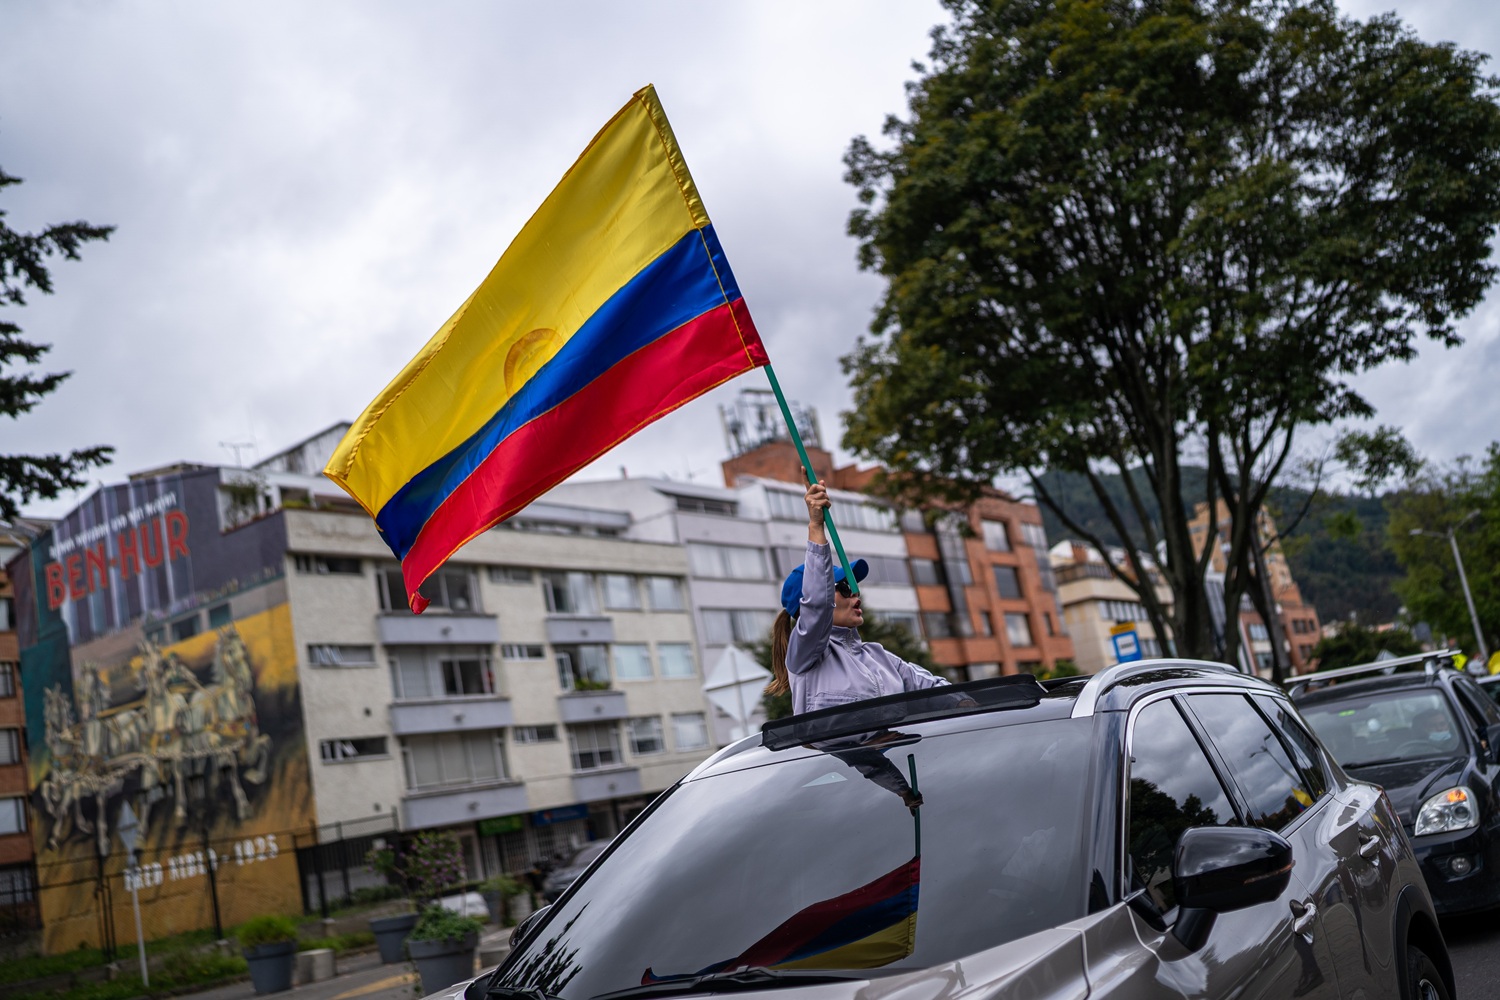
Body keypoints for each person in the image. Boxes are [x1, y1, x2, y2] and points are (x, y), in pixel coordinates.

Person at [765, 480, 952, 716]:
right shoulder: (805, 656)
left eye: (853, 586)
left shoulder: (880, 657)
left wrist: (973, 705)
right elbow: (818, 605)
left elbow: (936, 690)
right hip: (837, 755)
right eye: (843, 586)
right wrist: (815, 526)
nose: (854, 592)